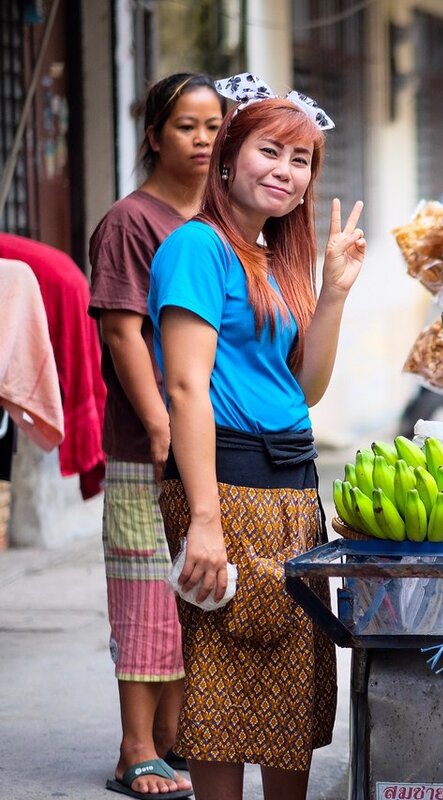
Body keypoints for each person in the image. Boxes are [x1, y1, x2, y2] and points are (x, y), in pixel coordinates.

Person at [147, 73, 365, 800]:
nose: (286, 171)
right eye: (270, 151)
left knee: (294, 681)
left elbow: (304, 390)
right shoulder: (196, 249)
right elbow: (184, 387)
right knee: (227, 682)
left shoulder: (274, 259)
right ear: (229, 157)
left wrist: (332, 292)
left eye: (301, 160)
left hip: (290, 482)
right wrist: (204, 521)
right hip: (226, 484)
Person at [89, 72, 223, 800]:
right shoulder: (131, 221)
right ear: (153, 136)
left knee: (193, 593)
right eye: (186, 126)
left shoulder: (220, 219)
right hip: (148, 444)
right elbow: (121, 331)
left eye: (213, 126)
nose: (203, 140)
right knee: (145, 589)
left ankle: (169, 742)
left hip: (205, 436)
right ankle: (134, 750)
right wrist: (159, 421)